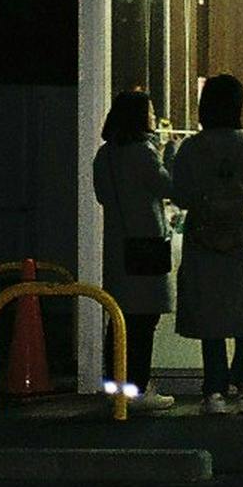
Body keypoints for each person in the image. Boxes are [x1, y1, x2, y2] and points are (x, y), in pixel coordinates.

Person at [173, 72, 243, 415]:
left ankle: (214, 393)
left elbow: (181, 195)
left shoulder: (191, 148)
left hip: (202, 239)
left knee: (211, 316)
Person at [91, 88, 177, 412]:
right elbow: (167, 186)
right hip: (146, 245)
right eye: (150, 112)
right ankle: (137, 390)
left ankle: (115, 388)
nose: (154, 117)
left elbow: (102, 196)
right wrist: (170, 153)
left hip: (118, 245)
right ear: (140, 117)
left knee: (120, 320)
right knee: (143, 321)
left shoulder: (105, 155)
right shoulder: (143, 152)